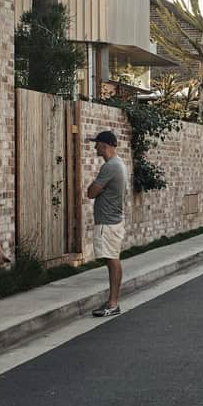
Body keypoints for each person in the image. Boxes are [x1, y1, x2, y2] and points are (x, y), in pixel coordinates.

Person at [87, 130, 127, 317]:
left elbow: (91, 192)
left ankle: (112, 303)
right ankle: (112, 302)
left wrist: (97, 189)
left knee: (111, 260)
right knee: (111, 258)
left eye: (97, 144)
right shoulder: (118, 164)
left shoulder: (110, 167)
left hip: (108, 222)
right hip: (112, 221)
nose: (95, 147)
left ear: (104, 145)